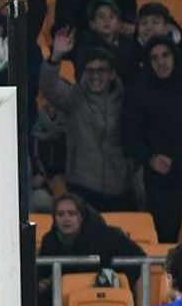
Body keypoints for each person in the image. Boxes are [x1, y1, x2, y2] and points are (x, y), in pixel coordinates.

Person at [42, 28, 135, 211]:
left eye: (102, 70)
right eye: (90, 70)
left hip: (120, 187)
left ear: (112, 74)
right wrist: (55, 57)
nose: (96, 76)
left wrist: (130, 169)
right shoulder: (74, 97)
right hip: (82, 186)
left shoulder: (127, 101)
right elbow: (50, 89)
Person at [124, 36, 182, 241]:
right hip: (162, 180)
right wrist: (150, 158)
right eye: (154, 57)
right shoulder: (139, 90)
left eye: (165, 55)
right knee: (165, 241)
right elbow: (130, 136)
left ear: (174, 56)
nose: (161, 62)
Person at [36, 192, 147, 306]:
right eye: (60, 214)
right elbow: (41, 276)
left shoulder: (108, 237)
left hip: (106, 300)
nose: (66, 219)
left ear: (81, 217)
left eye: (71, 213)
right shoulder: (49, 241)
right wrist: (42, 284)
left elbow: (139, 261)